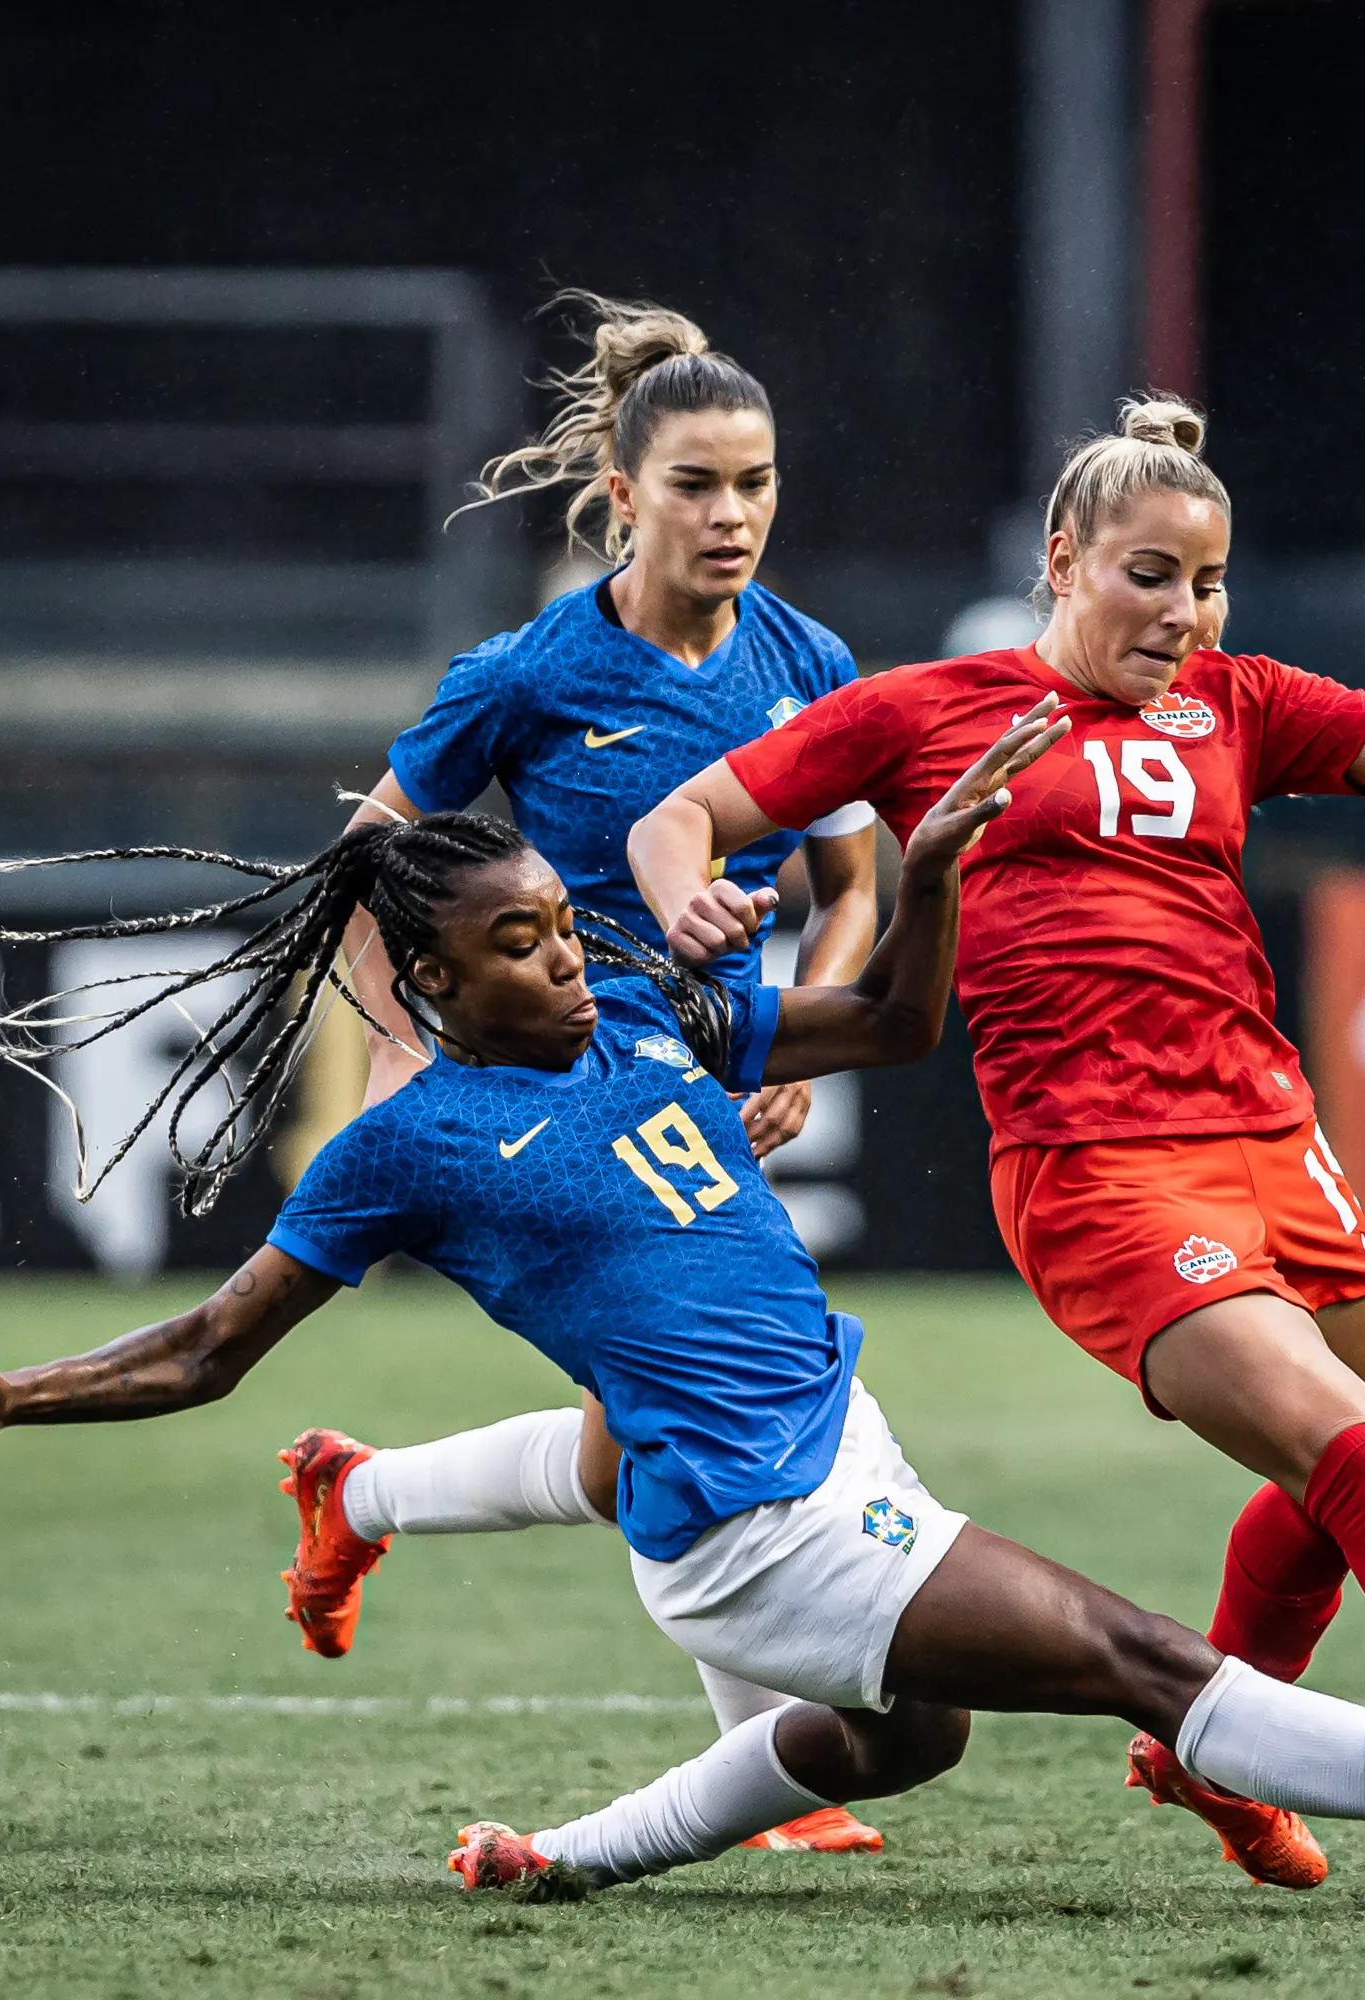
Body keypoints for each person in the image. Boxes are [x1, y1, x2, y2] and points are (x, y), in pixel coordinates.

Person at [0, 718, 1365, 1899]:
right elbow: (203, 1349)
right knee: (1153, 1666)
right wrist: (12, 1399)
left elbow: (889, 1030)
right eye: (521, 943)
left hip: (810, 1438)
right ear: (428, 975)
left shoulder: (637, 1009)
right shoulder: (408, 1150)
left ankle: (548, 1843)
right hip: (766, 1534)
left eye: (564, 919)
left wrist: (927, 884)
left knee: (907, 1740)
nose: (565, 952)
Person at [630, 398, 1365, 1881]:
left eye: (1208, 582)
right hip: (1102, 1171)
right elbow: (686, 814)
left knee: (1345, 1488)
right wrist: (689, 901)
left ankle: (1209, 1757)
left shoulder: (1234, 703)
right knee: (1359, 1461)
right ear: (1065, 558)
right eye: (1150, 576)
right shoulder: (923, 711)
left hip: (1275, 1140)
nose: (1185, 613)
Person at [283, 293, 887, 1851]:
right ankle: (768, 1769)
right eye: (696, 483)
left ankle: (354, 1498)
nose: (733, 512)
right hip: (562, 1083)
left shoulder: (805, 655)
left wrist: (810, 1031)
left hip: (705, 1076)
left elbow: (857, 886)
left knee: (651, 1428)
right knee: (686, 1400)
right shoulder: (535, 666)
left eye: (756, 481)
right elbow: (368, 857)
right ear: (625, 496)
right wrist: (401, 1043)